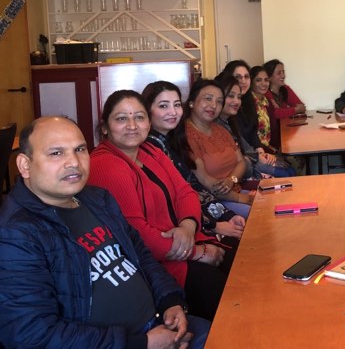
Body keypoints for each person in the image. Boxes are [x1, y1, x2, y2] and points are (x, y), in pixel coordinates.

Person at [0, 116, 209, 348]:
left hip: (161, 325)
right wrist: (142, 343)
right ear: (24, 165)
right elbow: (31, 334)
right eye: (56, 153)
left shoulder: (98, 199)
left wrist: (170, 300)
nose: (74, 162)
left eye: (80, 149)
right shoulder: (15, 234)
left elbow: (142, 257)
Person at [88, 90, 229, 321]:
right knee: (230, 295)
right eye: (121, 118)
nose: (132, 125)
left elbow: (186, 192)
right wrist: (196, 252)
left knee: (245, 263)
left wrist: (187, 226)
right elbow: (137, 234)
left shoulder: (150, 150)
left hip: (185, 243)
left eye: (139, 117)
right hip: (155, 267)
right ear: (105, 127)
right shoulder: (105, 165)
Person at [142, 80, 246, 242]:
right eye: (163, 106)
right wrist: (215, 225)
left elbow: (193, 187)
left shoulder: (173, 140)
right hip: (179, 230)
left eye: (176, 105)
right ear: (147, 110)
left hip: (201, 215)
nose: (173, 112)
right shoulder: (150, 148)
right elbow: (172, 200)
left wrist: (226, 215)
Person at [182, 79, 253, 218]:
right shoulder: (187, 134)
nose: (214, 105)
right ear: (191, 102)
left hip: (236, 191)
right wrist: (239, 198)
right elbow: (204, 180)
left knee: (272, 201)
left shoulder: (220, 130)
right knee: (259, 214)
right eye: (208, 99)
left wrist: (231, 179)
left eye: (219, 101)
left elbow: (241, 162)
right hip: (214, 201)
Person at [214, 73, 295, 178]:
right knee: (285, 173)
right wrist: (257, 158)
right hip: (243, 170)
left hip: (253, 159)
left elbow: (248, 146)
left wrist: (261, 154)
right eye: (231, 96)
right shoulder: (218, 125)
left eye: (239, 97)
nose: (236, 101)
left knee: (289, 170)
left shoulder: (230, 120)